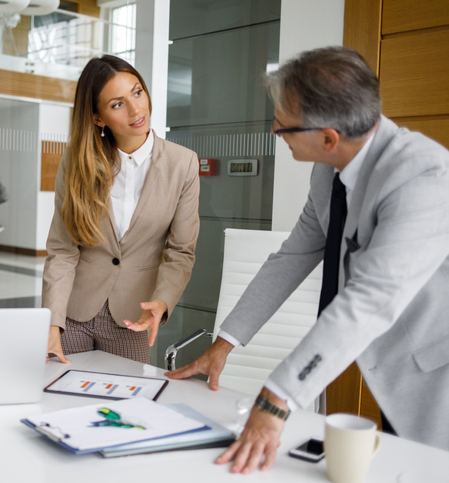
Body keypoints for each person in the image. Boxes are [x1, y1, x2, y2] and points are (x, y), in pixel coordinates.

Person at [167, 46, 449, 473]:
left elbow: (369, 300)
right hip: (391, 368)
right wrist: (224, 344)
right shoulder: (329, 168)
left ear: (328, 136)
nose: (275, 131)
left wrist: (276, 400)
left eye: (283, 127)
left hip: (434, 373)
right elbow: (293, 255)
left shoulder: (423, 178)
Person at [42, 55, 200, 365]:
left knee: (124, 407)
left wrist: (162, 300)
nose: (136, 109)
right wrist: (52, 323)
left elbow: (181, 252)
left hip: (133, 316)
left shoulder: (183, 164)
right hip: (73, 313)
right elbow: (62, 250)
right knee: (64, 401)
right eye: (117, 104)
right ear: (98, 118)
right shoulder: (76, 161)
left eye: (137, 92)